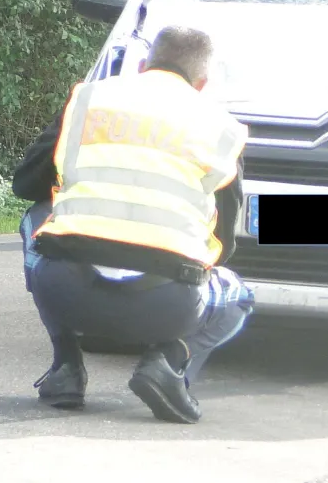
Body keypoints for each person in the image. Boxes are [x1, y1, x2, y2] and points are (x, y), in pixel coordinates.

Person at [14, 24, 255, 424]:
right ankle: (169, 364)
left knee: (36, 219)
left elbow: (25, 185)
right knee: (241, 296)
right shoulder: (221, 129)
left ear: (143, 65)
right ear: (201, 83)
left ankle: (66, 368)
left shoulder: (89, 98)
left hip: (67, 289)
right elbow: (224, 240)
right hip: (168, 305)